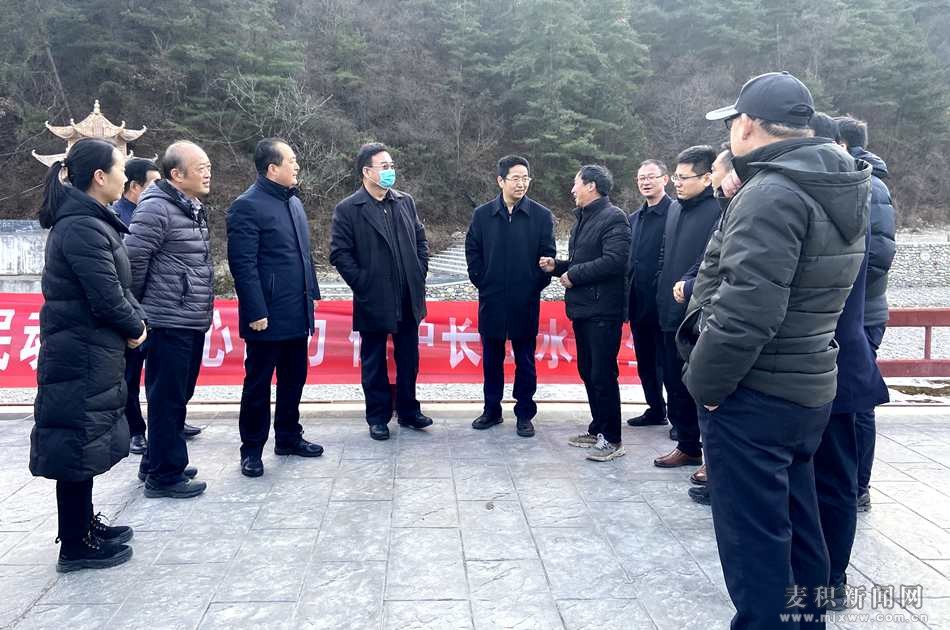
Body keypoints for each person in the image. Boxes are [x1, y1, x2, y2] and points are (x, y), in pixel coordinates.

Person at [683, 71, 871, 628]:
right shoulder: (838, 181)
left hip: (755, 392)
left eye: (733, 123)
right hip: (808, 383)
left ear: (747, 125)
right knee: (800, 528)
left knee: (757, 547)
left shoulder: (771, 193)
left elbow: (747, 312)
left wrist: (706, 387)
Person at [31, 138, 145, 572]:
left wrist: (135, 321)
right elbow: (106, 295)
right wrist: (135, 327)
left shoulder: (92, 221)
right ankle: (75, 544)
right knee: (76, 442)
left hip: (91, 350)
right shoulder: (81, 226)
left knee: (85, 438)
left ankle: (84, 525)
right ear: (100, 177)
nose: (124, 176)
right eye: (119, 169)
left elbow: (118, 287)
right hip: (79, 354)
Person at [227, 139, 324, 478]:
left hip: (297, 309)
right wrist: (255, 310)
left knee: (295, 377)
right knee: (258, 384)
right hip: (266, 315)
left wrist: (312, 293)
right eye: (291, 160)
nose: (296, 166)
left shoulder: (293, 202)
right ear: (272, 168)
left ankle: (288, 436)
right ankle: (251, 449)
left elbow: (303, 256)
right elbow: (243, 264)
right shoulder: (246, 206)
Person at [126, 141, 214, 499]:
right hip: (167, 319)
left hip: (189, 317)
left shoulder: (189, 205)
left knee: (176, 396)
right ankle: (164, 475)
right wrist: (141, 311)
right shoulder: (156, 207)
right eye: (201, 168)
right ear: (176, 174)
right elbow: (134, 261)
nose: (207, 173)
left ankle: (156, 461)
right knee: (166, 398)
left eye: (208, 166)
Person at [329, 143, 433, 441]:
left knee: (409, 359)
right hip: (373, 298)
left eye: (392, 166)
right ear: (367, 171)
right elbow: (340, 253)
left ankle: (408, 410)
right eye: (384, 167)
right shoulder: (349, 209)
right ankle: (377, 417)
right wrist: (363, 283)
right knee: (374, 361)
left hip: (408, 295)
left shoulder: (404, 201)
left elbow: (420, 239)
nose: (390, 171)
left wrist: (419, 271)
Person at [540, 165, 630, 462]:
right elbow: (583, 262)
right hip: (584, 309)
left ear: (591, 186)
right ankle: (598, 428)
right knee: (588, 371)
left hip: (603, 310)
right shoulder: (583, 220)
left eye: (575, 184)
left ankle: (612, 438)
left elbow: (615, 261)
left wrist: (574, 275)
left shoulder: (614, 217)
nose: (572, 190)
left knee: (603, 374)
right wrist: (558, 267)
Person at [465, 155, 555, 437]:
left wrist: (533, 286)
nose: (521, 183)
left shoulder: (541, 216)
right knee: (491, 360)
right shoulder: (483, 215)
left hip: (525, 301)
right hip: (491, 300)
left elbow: (548, 257)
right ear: (500, 181)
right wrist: (484, 282)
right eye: (515, 178)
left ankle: (524, 413)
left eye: (525, 178)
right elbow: (473, 252)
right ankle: (491, 410)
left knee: (525, 361)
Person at [836, 115, 897, 510]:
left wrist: (835, 292)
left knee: (857, 400)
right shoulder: (855, 181)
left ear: (841, 144)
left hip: (862, 312)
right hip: (853, 310)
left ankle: (858, 485)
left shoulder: (869, 186)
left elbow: (877, 256)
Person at [653, 146, 720, 472]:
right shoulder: (675, 209)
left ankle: (712, 455)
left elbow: (713, 262)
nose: (677, 183)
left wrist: (691, 286)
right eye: (676, 176)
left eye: (684, 177)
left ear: (707, 178)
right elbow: (665, 254)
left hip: (699, 314)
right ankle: (687, 445)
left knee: (700, 385)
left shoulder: (719, 212)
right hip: (669, 310)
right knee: (674, 381)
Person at [687, 145, 736, 501]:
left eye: (716, 170)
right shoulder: (725, 210)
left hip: (722, 331)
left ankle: (721, 482)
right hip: (705, 319)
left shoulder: (750, 210)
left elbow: (743, 292)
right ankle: (715, 474)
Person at [112, 158, 161, 456]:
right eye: (153, 184)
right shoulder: (117, 218)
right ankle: (135, 430)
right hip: (132, 310)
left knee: (161, 375)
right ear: (134, 186)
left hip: (156, 308)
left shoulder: (157, 212)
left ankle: (166, 424)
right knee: (130, 375)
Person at [625, 160, 672, 432]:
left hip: (666, 303)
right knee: (646, 362)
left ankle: (681, 419)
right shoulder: (634, 218)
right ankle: (656, 409)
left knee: (670, 364)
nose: (645, 182)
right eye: (641, 178)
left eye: (651, 177)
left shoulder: (676, 213)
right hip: (639, 303)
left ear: (665, 179)